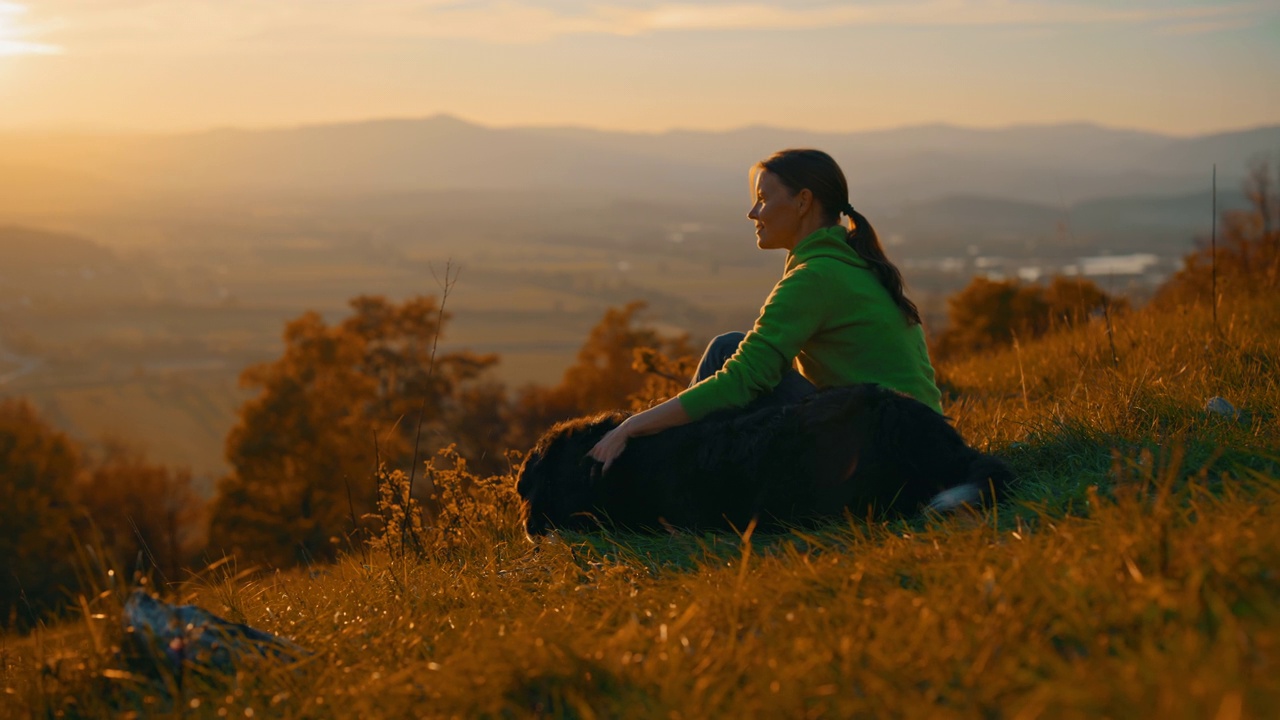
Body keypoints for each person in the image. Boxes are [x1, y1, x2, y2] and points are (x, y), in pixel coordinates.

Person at [589, 148, 942, 471]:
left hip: (882, 453)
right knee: (733, 354)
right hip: (918, 443)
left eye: (762, 199)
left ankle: (670, 482)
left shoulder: (815, 277)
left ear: (803, 202)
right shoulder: (854, 263)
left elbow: (742, 381)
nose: (752, 212)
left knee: (726, 351)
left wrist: (632, 426)